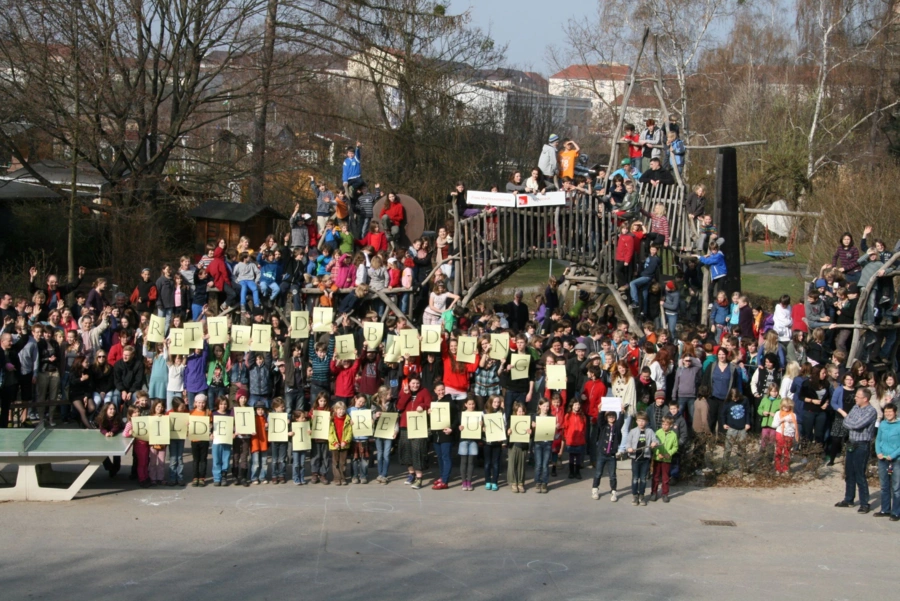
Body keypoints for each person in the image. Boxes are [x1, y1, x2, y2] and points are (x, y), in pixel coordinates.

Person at [835, 388, 877, 513]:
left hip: (862, 445)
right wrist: (850, 421)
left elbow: (857, 425)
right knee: (849, 473)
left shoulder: (871, 411)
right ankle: (849, 499)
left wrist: (850, 421)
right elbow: (846, 422)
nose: (855, 398)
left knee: (860, 474)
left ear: (865, 399)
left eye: (858, 396)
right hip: (851, 443)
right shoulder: (855, 408)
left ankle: (864, 503)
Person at [626, 411, 658, 506]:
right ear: (636, 421)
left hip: (645, 458)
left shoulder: (650, 431)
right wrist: (629, 448)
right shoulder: (632, 431)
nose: (641, 423)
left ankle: (642, 495)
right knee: (635, 478)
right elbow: (628, 443)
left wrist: (654, 443)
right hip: (635, 458)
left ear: (647, 421)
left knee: (643, 479)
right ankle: (635, 495)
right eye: (639, 420)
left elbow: (655, 440)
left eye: (643, 421)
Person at [874, 402, 900, 520]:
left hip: (896, 460)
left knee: (896, 488)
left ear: (895, 412)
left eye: (890, 411)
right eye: (886, 412)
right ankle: (885, 509)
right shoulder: (883, 424)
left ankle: (896, 512)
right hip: (883, 459)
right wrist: (878, 452)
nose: (888, 414)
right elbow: (878, 439)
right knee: (884, 486)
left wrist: (893, 455)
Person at [591, 411, 622, 501]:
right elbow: (600, 420)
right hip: (602, 454)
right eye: (609, 416)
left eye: (613, 416)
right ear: (606, 417)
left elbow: (621, 421)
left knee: (612, 474)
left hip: (612, 455)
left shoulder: (616, 427)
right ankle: (595, 489)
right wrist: (601, 410)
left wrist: (622, 412)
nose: (611, 417)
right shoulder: (603, 426)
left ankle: (613, 491)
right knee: (598, 472)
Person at [651, 415, 679, 502]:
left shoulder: (673, 435)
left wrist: (669, 453)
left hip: (667, 459)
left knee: (665, 478)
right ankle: (654, 492)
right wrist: (657, 453)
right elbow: (654, 445)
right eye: (663, 424)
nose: (664, 426)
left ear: (670, 425)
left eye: (666, 425)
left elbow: (675, 447)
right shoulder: (658, 432)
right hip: (657, 458)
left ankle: (665, 493)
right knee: (655, 476)